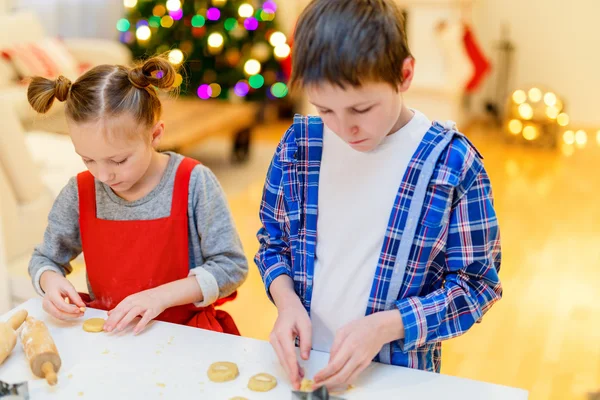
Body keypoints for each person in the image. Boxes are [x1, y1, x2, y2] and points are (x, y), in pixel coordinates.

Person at [255, 0, 502, 390]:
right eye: (325, 110)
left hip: (396, 377)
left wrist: (386, 326)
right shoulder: (299, 144)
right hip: (305, 366)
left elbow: (476, 286)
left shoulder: (452, 163)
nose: (344, 128)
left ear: (404, 74)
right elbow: (273, 245)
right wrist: (286, 304)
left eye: (361, 108)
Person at [28, 56, 247, 335]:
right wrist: (50, 282)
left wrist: (159, 297)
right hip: (114, 335)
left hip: (185, 335)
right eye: (88, 160)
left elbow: (232, 267)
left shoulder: (193, 183)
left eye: (118, 161)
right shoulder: (80, 192)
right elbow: (44, 259)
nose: (104, 175)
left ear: (155, 134)